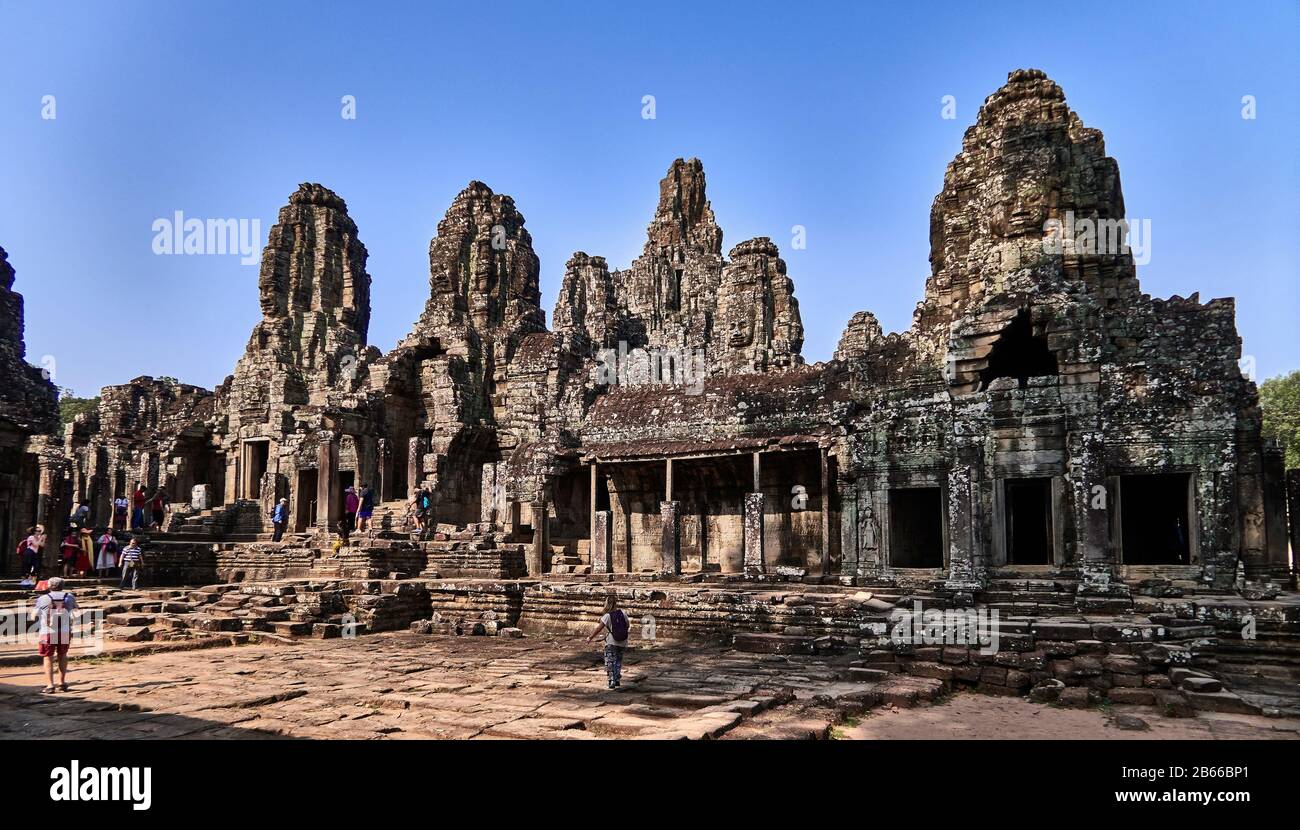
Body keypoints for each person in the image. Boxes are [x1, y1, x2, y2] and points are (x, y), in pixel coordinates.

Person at [32, 576, 78, 693]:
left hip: (47, 631)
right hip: (65, 630)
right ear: (62, 586)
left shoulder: (43, 598)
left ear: (48, 586)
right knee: (63, 655)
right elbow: (76, 610)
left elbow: (33, 616)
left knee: (48, 657)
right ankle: (62, 683)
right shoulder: (69, 597)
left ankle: (50, 685)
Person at [587, 593, 631, 690]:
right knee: (618, 660)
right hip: (622, 642)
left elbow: (598, 628)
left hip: (611, 642)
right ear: (616, 604)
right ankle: (617, 679)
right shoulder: (623, 613)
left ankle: (611, 680)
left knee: (610, 661)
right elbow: (627, 626)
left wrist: (590, 637)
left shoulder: (607, 616)